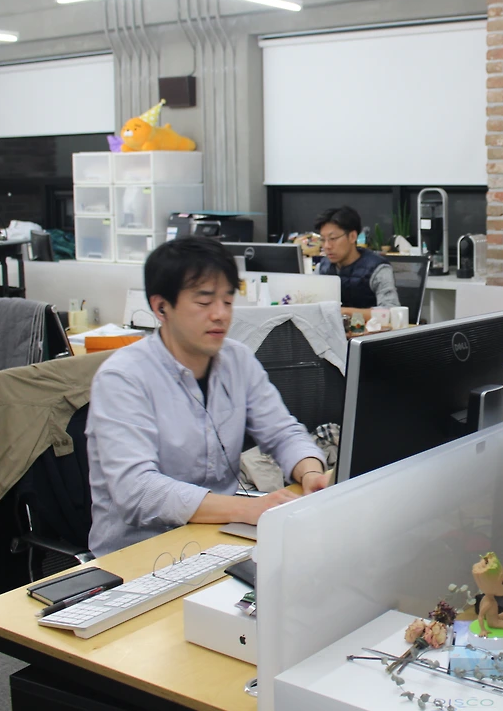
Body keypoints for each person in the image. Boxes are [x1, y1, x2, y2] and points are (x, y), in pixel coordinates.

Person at [85, 237, 329, 556]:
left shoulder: (237, 360)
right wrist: (245, 509)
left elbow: (282, 432)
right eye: (204, 302)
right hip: (137, 555)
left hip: (219, 540)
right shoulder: (123, 378)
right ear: (161, 307)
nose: (220, 315)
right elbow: (137, 490)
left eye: (227, 301)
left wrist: (310, 472)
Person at [314, 205, 401, 317]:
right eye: (322, 239)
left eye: (333, 238)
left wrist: (344, 312)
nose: (327, 246)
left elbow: (391, 311)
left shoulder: (377, 268)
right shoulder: (322, 268)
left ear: (352, 236)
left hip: (371, 328)